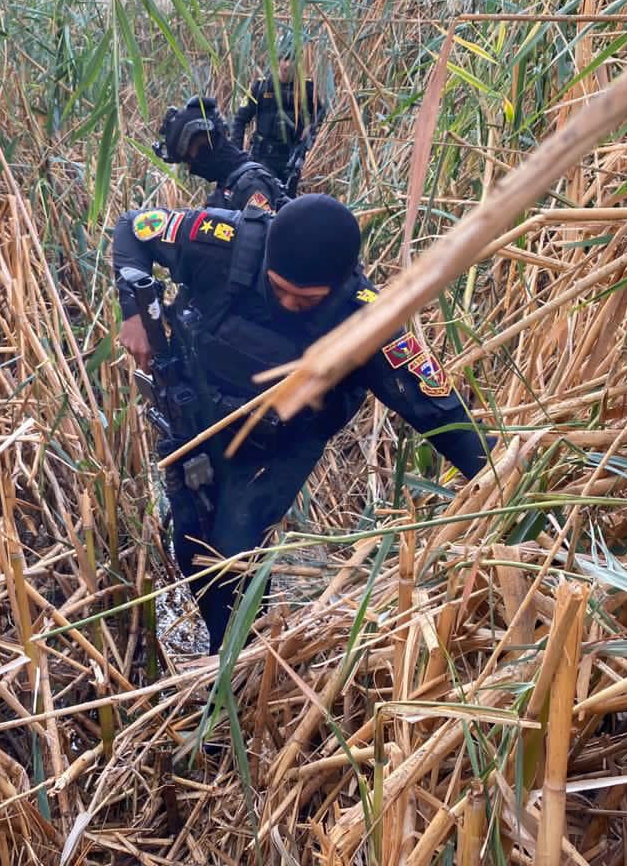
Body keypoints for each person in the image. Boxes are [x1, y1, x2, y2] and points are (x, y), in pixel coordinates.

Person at [114, 193, 490, 654]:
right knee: (192, 544)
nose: (289, 304)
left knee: (233, 552)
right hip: (198, 417)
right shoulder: (222, 241)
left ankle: (235, 666)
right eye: (279, 289)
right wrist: (130, 309)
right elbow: (134, 227)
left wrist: (502, 480)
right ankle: (227, 649)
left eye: (307, 298)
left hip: (279, 445)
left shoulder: (368, 318)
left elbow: (441, 411)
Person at [153, 96, 287, 213]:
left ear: (206, 147)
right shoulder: (227, 187)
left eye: (189, 159)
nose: (190, 169)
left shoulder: (250, 185)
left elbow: (265, 238)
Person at [231, 46, 325, 197]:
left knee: (287, 203)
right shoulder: (260, 86)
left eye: (292, 60)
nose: (288, 65)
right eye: (285, 59)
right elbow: (240, 120)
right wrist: (237, 154)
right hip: (263, 156)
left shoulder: (307, 88)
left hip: (291, 158)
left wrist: (310, 128)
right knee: (262, 200)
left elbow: (320, 114)